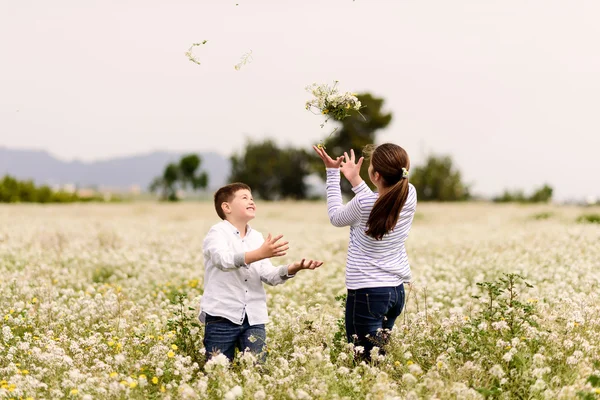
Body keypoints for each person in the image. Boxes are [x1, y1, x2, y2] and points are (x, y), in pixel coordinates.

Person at [313, 143, 417, 360]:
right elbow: (375, 201)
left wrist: (333, 173)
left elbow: (336, 216)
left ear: (376, 175)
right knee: (380, 355)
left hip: (367, 291)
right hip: (395, 291)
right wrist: (356, 181)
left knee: (365, 361)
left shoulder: (363, 203)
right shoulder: (409, 194)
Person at [200, 182, 323, 363]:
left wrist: (293, 268)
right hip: (222, 316)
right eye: (244, 198)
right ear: (226, 207)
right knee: (217, 373)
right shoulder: (217, 233)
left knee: (258, 369)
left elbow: (268, 276)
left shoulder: (256, 236)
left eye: (252, 198)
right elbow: (223, 260)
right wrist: (259, 253)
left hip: (254, 317)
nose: (251, 202)